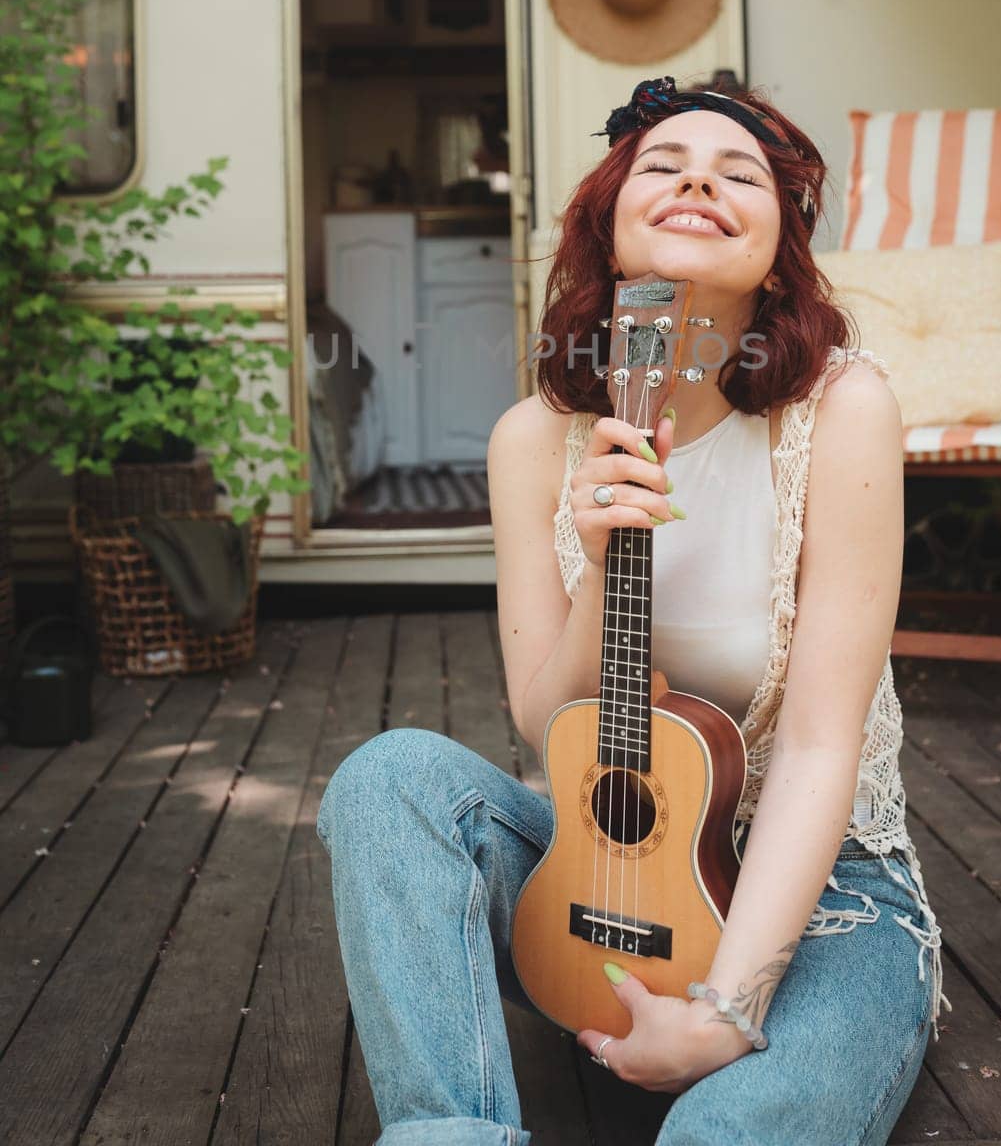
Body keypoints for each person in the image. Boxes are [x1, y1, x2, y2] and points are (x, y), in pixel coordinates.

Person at [316, 74, 947, 1146]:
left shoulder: (838, 413)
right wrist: (604, 561)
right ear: (608, 234)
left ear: (775, 250)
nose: (697, 176)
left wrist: (725, 1012)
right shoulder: (534, 438)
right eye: (661, 164)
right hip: (604, 881)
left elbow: (812, 748)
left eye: (736, 171)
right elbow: (542, 720)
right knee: (388, 780)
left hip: (825, 897)